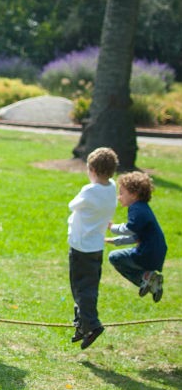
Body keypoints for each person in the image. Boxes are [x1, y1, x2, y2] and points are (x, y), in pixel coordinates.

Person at [67, 147, 118, 350]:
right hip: (96, 247)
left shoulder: (89, 191)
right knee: (89, 287)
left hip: (81, 247)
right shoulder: (112, 187)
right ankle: (82, 323)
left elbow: (73, 205)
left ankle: (91, 324)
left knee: (80, 288)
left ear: (92, 170)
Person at [107, 171, 167, 303]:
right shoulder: (144, 208)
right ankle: (154, 284)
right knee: (118, 255)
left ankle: (145, 277)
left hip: (147, 253)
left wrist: (112, 227)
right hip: (158, 253)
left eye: (122, 193)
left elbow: (130, 229)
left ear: (134, 195)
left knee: (114, 258)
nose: (119, 197)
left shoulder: (136, 208)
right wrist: (113, 241)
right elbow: (136, 237)